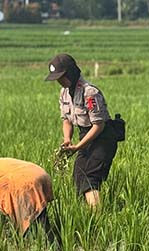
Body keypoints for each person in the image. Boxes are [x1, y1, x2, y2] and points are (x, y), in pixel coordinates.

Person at [46, 53, 118, 208]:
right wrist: (67, 139)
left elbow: (99, 125)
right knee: (78, 177)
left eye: (61, 77)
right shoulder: (64, 92)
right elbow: (66, 120)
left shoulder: (90, 93)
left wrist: (78, 146)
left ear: (71, 73)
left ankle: (97, 215)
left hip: (102, 138)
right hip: (85, 137)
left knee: (90, 178)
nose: (59, 81)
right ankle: (85, 212)